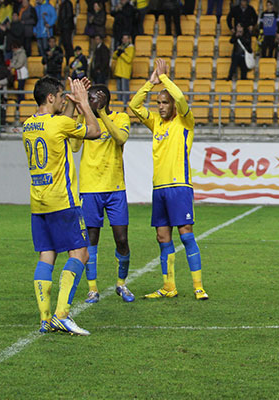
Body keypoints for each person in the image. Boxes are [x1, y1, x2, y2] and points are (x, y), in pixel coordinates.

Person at [22, 76, 101, 335]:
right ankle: (62, 315)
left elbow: (60, 125)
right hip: (62, 202)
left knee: (47, 255)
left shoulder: (28, 125)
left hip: (38, 203)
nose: (63, 97)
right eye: (60, 95)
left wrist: (69, 105)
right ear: (50, 98)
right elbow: (94, 131)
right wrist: (83, 103)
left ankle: (45, 319)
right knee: (81, 254)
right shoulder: (58, 124)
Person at [129, 58, 209, 301]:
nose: (161, 107)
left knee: (186, 234)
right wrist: (150, 84)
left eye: (165, 103)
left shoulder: (185, 121)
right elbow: (134, 105)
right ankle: (169, 286)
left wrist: (164, 78)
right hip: (159, 188)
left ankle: (198, 286)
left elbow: (182, 99)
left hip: (179, 187)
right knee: (162, 238)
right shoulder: (156, 124)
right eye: (158, 103)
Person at [70, 84, 135, 304]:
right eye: (89, 97)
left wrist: (100, 115)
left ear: (105, 99)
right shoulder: (85, 121)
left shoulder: (120, 117)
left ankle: (121, 284)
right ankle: (92, 288)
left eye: (95, 97)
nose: (91, 100)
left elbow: (120, 139)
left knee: (122, 239)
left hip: (115, 188)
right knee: (91, 240)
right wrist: (82, 116)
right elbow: (75, 146)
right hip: (90, 189)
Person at [112, 34, 135, 103]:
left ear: (129, 39)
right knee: (119, 90)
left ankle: (124, 104)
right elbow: (114, 56)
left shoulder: (131, 48)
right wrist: (118, 51)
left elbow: (129, 59)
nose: (124, 40)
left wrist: (122, 54)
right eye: (123, 39)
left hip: (125, 72)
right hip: (119, 71)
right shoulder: (121, 47)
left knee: (124, 90)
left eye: (126, 39)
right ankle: (120, 103)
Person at [58, 0, 75, 65]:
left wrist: (62, 24)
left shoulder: (67, 3)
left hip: (66, 27)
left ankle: (71, 60)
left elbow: (69, 16)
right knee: (65, 44)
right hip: (64, 27)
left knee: (67, 44)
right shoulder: (63, 3)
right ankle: (68, 60)